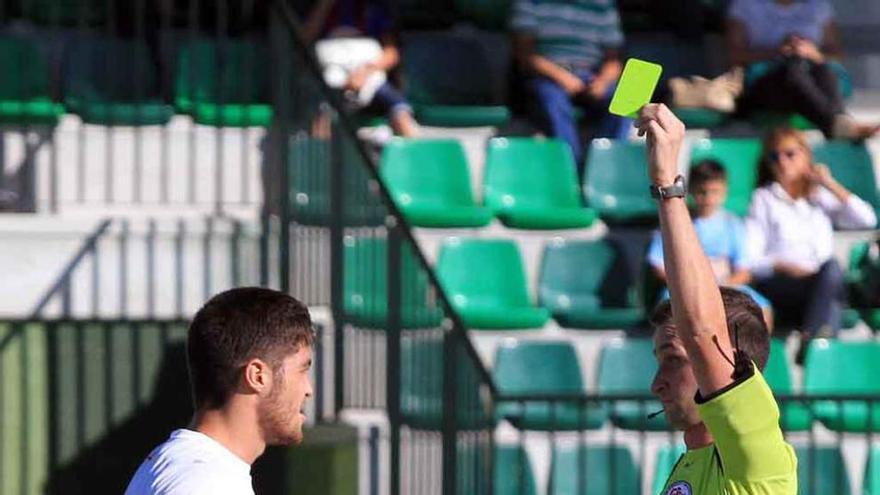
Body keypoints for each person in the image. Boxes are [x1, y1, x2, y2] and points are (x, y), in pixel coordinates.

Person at [638, 103, 797, 493]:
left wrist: (668, 187)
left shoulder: (759, 449)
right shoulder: (691, 462)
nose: (657, 383)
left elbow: (702, 331)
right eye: (661, 361)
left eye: (674, 359)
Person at [125, 287, 315, 494]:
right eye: (302, 370)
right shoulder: (208, 482)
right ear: (258, 376)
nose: (309, 389)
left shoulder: (190, 469)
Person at [746, 127, 877, 363]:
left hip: (820, 283)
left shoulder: (820, 198)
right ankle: (819, 351)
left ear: (805, 156)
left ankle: (814, 344)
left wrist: (829, 183)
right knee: (832, 284)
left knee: (831, 278)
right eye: (774, 156)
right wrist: (784, 266)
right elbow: (752, 260)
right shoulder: (763, 199)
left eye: (790, 154)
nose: (782, 162)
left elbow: (866, 219)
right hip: (783, 283)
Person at [647, 159, 774, 330]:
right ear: (690, 189)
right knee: (667, 314)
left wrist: (723, 286)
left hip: (727, 288)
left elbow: (744, 269)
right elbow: (658, 264)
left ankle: (754, 355)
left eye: (715, 191)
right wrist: (687, 283)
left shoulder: (733, 225)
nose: (708, 198)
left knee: (762, 310)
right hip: (685, 290)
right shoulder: (676, 222)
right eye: (702, 191)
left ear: (724, 191)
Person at [726, 0, 880, 139]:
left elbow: (838, 56)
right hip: (767, 82)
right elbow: (733, 55)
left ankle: (837, 123)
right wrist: (778, 51)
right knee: (793, 71)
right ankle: (837, 123)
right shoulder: (746, 5)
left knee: (821, 68)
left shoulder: (818, 6)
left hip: (812, 77)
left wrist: (813, 53)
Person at [512, 0, 630, 168]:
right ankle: (571, 169)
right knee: (552, 100)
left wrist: (602, 82)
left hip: (592, 76)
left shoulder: (602, 5)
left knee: (627, 99)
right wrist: (563, 77)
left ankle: (605, 168)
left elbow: (614, 60)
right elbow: (526, 56)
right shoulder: (531, 3)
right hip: (548, 77)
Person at [302, 0, 419, 138]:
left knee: (400, 112)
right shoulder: (318, 9)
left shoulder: (372, 9)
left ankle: (416, 156)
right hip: (330, 76)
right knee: (321, 113)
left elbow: (391, 53)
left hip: (369, 74)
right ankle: (321, 154)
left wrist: (364, 72)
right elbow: (303, 40)